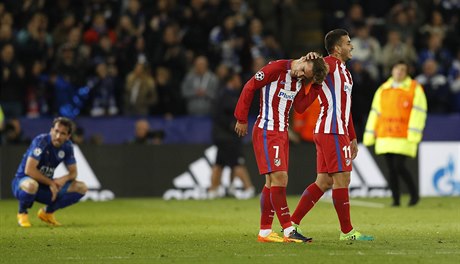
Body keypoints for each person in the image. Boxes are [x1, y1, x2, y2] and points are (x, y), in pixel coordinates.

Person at [234, 53, 328, 243]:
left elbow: (301, 107)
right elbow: (250, 86)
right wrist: (241, 118)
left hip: (281, 132)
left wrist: (316, 85)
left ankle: (265, 232)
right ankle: (288, 230)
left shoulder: (300, 80)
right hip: (267, 131)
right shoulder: (275, 69)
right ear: (302, 59)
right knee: (280, 178)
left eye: (305, 76)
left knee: (271, 182)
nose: (301, 75)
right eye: (303, 70)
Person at [290, 29, 374, 241]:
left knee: (324, 181)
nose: (351, 46)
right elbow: (306, 72)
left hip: (336, 131)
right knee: (342, 179)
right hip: (331, 130)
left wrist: (353, 137)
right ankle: (347, 232)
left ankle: (290, 225)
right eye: (347, 43)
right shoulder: (329, 64)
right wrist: (309, 62)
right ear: (337, 48)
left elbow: (347, 108)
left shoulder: (345, 71)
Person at [363, 60, 427, 207]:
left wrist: (414, 134)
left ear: (406, 72)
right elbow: (375, 113)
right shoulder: (383, 89)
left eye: (403, 70)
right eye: (397, 69)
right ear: (392, 71)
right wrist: (370, 134)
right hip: (385, 135)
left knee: (399, 166)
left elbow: (419, 112)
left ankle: (414, 195)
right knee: (391, 169)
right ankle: (396, 199)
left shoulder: (414, 88)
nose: (399, 72)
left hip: (403, 135)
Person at [12, 117, 88, 227]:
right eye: (56, 131)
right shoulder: (41, 141)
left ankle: (47, 213)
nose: (58, 136)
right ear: (51, 130)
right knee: (31, 185)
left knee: (81, 187)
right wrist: (51, 183)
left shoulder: (67, 146)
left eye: (62, 133)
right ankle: (22, 213)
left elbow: (73, 173)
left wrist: (63, 179)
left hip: (44, 186)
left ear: (68, 136)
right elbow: (29, 170)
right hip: (22, 182)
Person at [208, 72, 255, 200]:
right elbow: (219, 115)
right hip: (227, 137)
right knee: (237, 163)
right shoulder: (227, 95)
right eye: (237, 79)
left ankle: (213, 190)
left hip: (221, 136)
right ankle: (249, 188)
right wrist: (232, 125)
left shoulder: (224, 94)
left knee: (219, 164)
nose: (239, 82)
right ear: (232, 80)